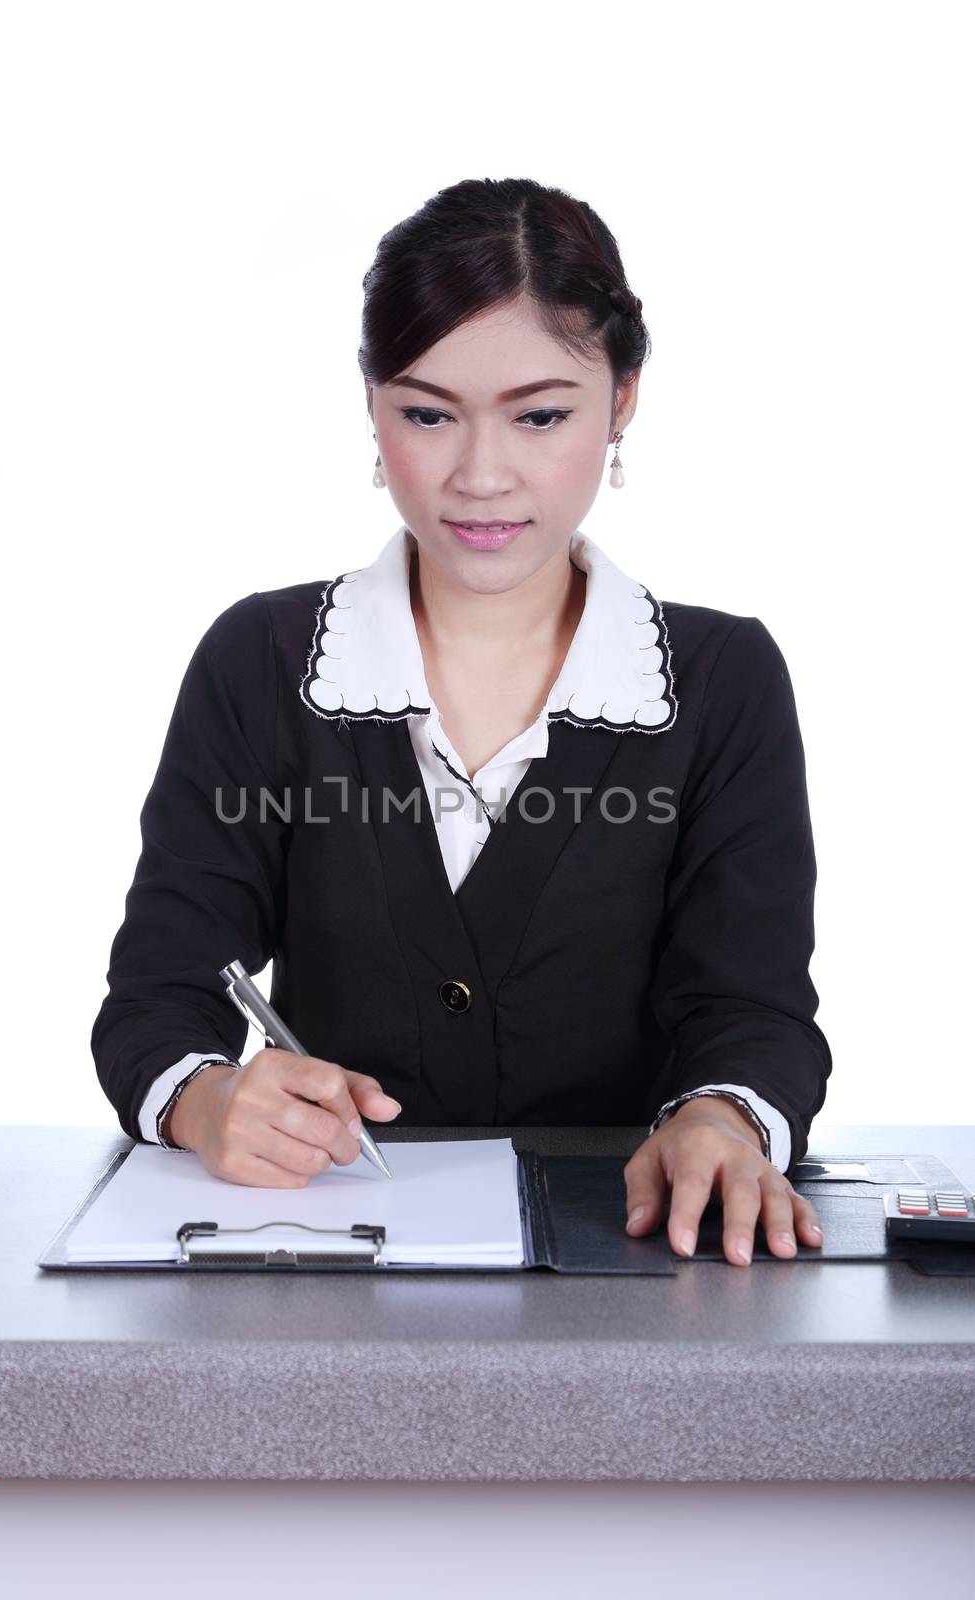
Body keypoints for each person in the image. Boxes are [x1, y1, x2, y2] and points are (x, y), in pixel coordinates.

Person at [91, 175, 830, 1269]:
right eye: (426, 414)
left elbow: (752, 1005)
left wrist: (719, 1118)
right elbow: (160, 993)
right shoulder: (265, 660)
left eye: (540, 415)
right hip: (327, 1269)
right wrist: (208, 1099)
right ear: (371, 404)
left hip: (636, 1277)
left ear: (622, 398)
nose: (479, 477)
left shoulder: (719, 680)